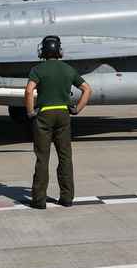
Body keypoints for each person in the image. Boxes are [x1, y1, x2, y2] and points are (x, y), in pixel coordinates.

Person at [24, 35, 91, 209]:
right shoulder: (68, 69)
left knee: (42, 158)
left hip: (44, 115)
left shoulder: (37, 70)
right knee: (65, 157)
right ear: (59, 51)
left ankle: (39, 201)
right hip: (63, 114)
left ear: (43, 51)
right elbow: (87, 89)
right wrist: (76, 109)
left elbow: (29, 92)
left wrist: (31, 112)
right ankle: (67, 197)